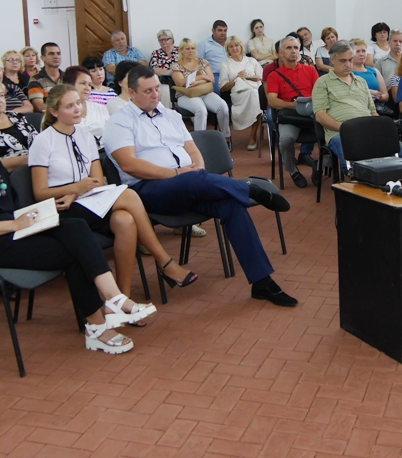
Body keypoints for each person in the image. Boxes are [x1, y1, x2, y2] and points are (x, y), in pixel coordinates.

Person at [0, 104, 157, 356]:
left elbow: (9, 207)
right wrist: (15, 224)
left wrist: (38, 214)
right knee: (74, 254)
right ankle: (100, 324)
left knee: (74, 226)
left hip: (14, 231)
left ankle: (113, 301)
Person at [105, 65, 297, 307]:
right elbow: (129, 164)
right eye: (148, 91)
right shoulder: (119, 122)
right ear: (131, 93)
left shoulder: (171, 116)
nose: (155, 94)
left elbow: (192, 149)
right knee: (191, 179)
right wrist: (176, 173)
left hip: (190, 184)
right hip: (148, 191)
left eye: (157, 89)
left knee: (231, 204)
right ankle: (248, 189)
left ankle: (262, 282)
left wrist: (197, 167)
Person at [29, 85, 196, 295]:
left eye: (78, 103)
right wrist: (74, 189)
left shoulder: (85, 136)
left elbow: (97, 180)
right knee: (128, 194)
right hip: (61, 209)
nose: (77, 109)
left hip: (85, 199)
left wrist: (77, 191)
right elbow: (39, 193)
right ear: (54, 111)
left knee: (125, 221)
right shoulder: (43, 141)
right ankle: (165, 262)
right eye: (69, 106)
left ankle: (121, 298)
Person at [313, 41, 402, 175]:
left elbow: (373, 112)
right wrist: (345, 129)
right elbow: (320, 115)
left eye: (350, 60)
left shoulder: (361, 82)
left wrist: (381, 131)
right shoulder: (323, 82)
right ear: (332, 60)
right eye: (343, 60)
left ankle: (389, 186)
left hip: (368, 130)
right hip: (341, 133)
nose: (348, 64)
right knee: (358, 166)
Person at [266, 35, 319, 188]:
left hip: (311, 114)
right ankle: (293, 170)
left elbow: (320, 93)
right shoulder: (274, 75)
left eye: (296, 47)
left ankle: (320, 166)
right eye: (289, 48)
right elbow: (272, 101)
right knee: (285, 140)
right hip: (291, 117)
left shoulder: (310, 70)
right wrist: (293, 106)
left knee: (332, 134)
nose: (293, 51)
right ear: (281, 53)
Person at [171, 38, 231, 141]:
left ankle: (226, 136)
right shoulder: (176, 66)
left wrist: (195, 82)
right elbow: (180, 82)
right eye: (187, 49)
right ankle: (200, 141)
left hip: (205, 92)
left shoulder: (203, 62)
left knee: (223, 107)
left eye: (193, 48)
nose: (191, 51)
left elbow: (211, 79)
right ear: (181, 51)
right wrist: (201, 77)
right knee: (201, 110)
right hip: (186, 95)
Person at [218, 36, 263, 151]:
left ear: (241, 47)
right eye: (231, 46)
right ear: (228, 50)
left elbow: (262, 78)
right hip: (238, 94)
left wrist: (254, 78)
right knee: (255, 96)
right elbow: (223, 88)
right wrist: (237, 78)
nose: (234, 48)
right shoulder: (226, 65)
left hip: (254, 90)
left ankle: (253, 135)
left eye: (236, 45)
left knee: (255, 95)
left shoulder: (251, 61)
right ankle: (252, 134)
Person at [65, 65, 112, 144]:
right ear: (70, 84)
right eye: (83, 83)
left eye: (90, 85)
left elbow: (112, 134)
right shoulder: (60, 111)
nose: (87, 88)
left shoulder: (99, 108)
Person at [350, 38, 392, 115]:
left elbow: (386, 95)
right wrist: (368, 94)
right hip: (356, 109)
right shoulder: (347, 73)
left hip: (377, 107)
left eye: (363, 51)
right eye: (357, 51)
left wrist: (378, 97)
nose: (361, 54)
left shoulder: (374, 71)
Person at [26, 42, 65, 112]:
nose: (56, 56)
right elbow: (39, 106)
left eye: (58, 53)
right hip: (48, 117)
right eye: (51, 54)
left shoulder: (68, 77)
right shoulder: (36, 79)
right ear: (42, 58)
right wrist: (60, 112)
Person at [200, 20, 229, 86]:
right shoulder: (204, 45)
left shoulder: (232, 43)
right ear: (213, 30)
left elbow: (243, 58)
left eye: (225, 30)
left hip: (234, 73)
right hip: (216, 75)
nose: (223, 33)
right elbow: (199, 64)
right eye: (220, 30)